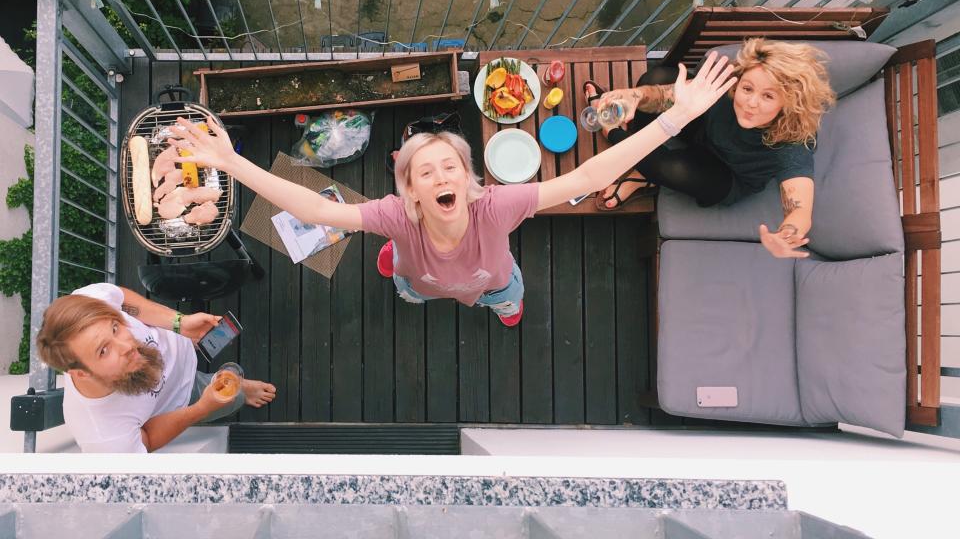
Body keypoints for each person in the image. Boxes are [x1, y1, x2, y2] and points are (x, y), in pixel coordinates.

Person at [170, 55, 736, 326]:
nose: (443, 176)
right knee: (412, 288)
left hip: (491, 281)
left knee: (505, 297)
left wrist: (672, 121)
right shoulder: (397, 216)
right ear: (411, 193)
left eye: (452, 168)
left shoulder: (499, 205)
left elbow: (585, 180)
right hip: (424, 278)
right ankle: (403, 276)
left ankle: (503, 307)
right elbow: (315, 206)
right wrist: (227, 162)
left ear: (471, 182)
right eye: (427, 171)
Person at [588, 38, 836, 259]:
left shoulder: (794, 141)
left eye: (768, 96)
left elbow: (799, 208)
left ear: (789, 102)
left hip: (726, 174)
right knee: (655, 78)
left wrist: (787, 234)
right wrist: (635, 96)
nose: (750, 103)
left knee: (669, 168)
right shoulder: (729, 84)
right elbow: (664, 94)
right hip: (701, 129)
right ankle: (636, 145)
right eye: (747, 89)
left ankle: (618, 136)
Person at [35, 283, 276, 453]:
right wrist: (201, 408)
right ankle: (242, 389)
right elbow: (147, 440)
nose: (128, 345)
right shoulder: (103, 435)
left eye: (116, 328)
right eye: (103, 350)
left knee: (221, 381)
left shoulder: (88, 303)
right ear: (80, 373)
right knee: (233, 396)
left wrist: (179, 324)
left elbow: (121, 298)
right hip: (184, 399)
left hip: (183, 347)